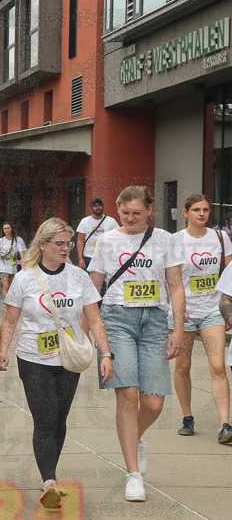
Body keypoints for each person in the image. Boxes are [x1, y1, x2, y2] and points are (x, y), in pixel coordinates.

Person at [0, 218, 114, 509]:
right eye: (59, 244)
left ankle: (50, 474)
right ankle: (49, 480)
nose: (65, 249)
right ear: (43, 245)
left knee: (59, 419)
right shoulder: (24, 278)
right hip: (33, 358)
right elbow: (10, 320)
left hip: (68, 358)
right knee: (45, 418)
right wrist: (1, 350)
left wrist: (106, 353)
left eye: (69, 243)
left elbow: (95, 319)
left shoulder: (78, 277)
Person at [87, 186, 185, 502]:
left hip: (155, 321)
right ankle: (133, 474)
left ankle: (136, 437)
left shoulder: (166, 240)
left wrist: (178, 328)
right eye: (125, 213)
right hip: (117, 319)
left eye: (137, 213)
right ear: (117, 209)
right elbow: (94, 288)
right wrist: (92, 329)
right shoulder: (107, 240)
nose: (130, 218)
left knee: (154, 401)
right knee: (128, 395)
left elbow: (175, 285)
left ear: (149, 211)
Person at [172, 194, 232, 442]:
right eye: (196, 209)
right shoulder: (176, 240)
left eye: (206, 209)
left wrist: (228, 310)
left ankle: (225, 424)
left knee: (218, 367)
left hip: (212, 311)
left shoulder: (221, 237)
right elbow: (170, 275)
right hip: (184, 312)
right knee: (183, 366)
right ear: (185, 213)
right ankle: (187, 416)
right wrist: (176, 307)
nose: (202, 214)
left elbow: (229, 275)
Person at [76, 198, 119, 269]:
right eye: (95, 206)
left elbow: (117, 237)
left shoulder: (111, 221)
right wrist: (80, 259)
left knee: (105, 279)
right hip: (88, 256)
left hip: (105, 257)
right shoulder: (85, 221)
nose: (97, 207)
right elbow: (80, 241)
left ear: (102, 206)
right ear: (91, 208)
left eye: (99, 205)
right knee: (88, 279)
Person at [0, 222, 27, 297]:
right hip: (3, 266)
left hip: (14, 265)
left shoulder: (18, 240)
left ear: (11, 229)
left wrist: (23, 259)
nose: (6, 230)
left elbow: (22, 250)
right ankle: (6, 304)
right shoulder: (0, 241)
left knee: (11, 287)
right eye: (5, 228)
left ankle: (10, 302)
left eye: (8, 228)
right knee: (6, 286)